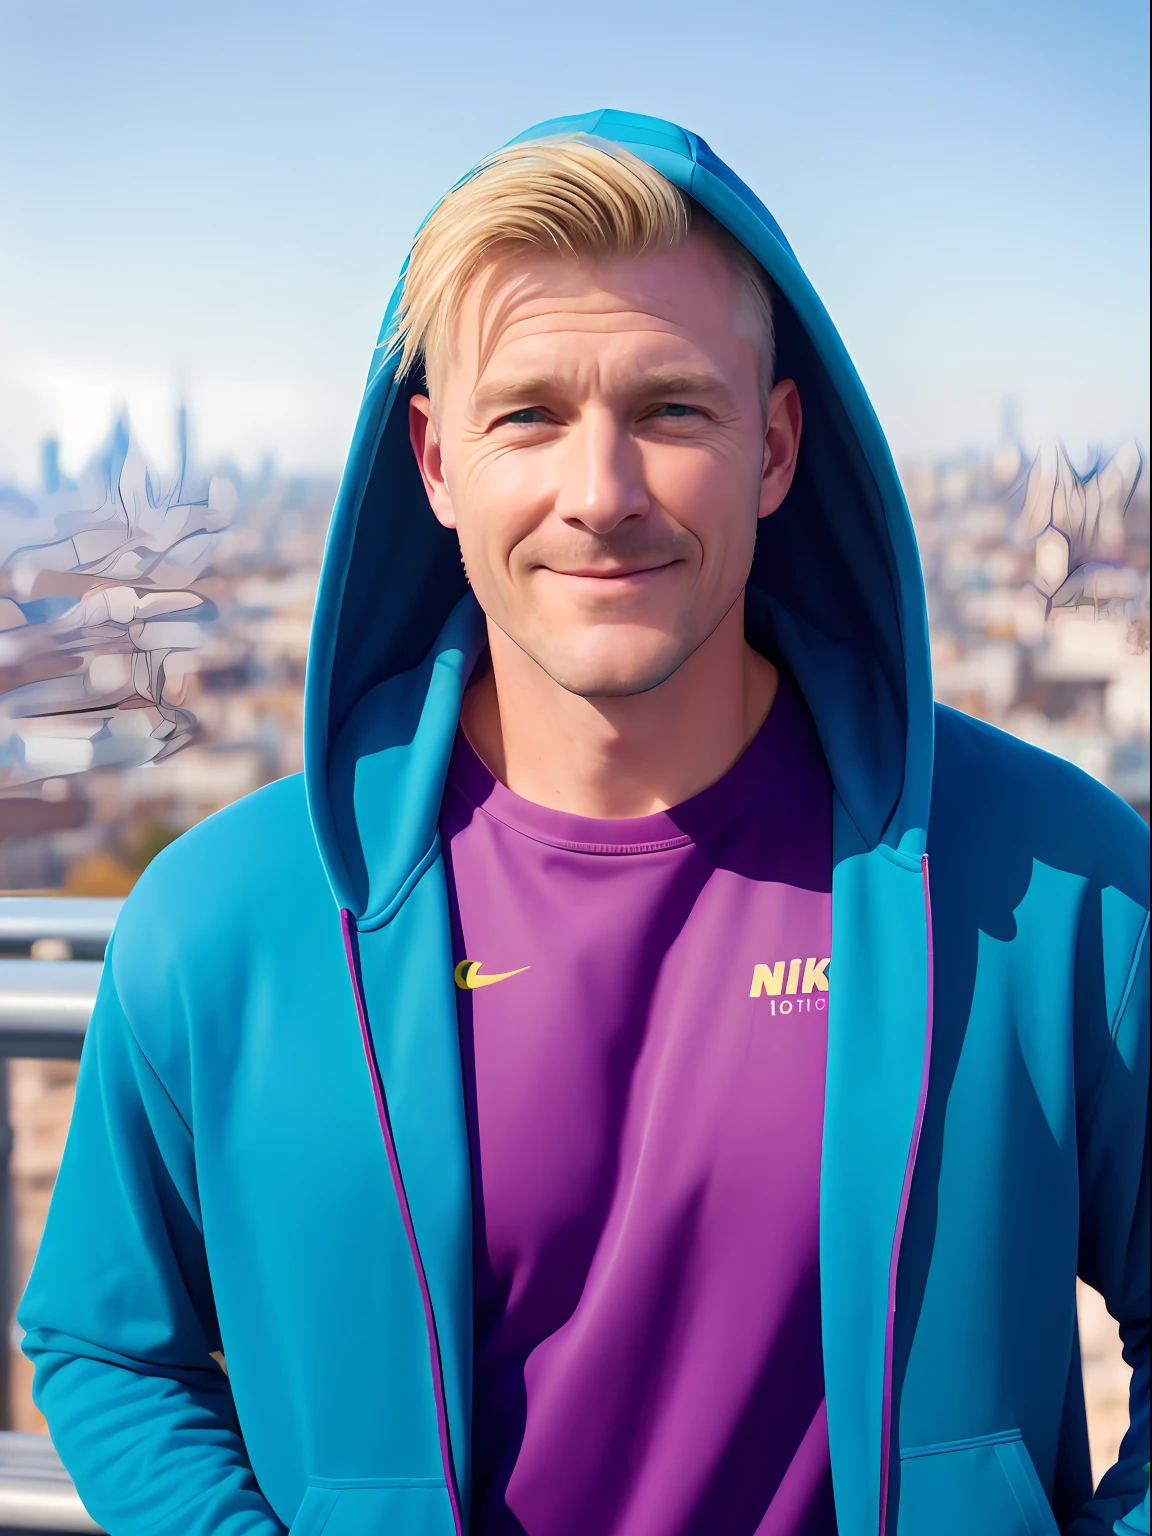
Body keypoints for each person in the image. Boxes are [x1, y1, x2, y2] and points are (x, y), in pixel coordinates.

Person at [19, 111, 1148, 1536]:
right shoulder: (226, 925)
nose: (601, 495)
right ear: (434, 464)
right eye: (529, 416)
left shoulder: (1056, 891)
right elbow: (109, 1345)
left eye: (673, 410)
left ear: (778, 447)